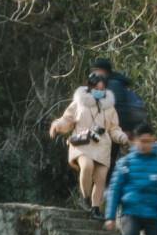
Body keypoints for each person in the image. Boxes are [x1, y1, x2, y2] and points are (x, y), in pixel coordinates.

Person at [49, 67, 129, 215]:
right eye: (96, 86)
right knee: (87, 166)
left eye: (102, 86)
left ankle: (95, 208)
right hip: (83, 142)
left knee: (100, 179)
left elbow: (114, 129)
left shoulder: (110, 107)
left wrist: (122, 137)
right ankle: (85, 197)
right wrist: (57, 126)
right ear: (90, 86)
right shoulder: (79, 102)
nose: (99, 89)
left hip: (102, 145)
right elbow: (67, 119)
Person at [89, 57, 148, 136]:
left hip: (129, 118)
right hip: (131, 118)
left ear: (105, 71)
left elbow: (117, 107)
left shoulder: (113, 84)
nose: (94, 73)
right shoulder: (112, 82)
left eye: (96, 70)